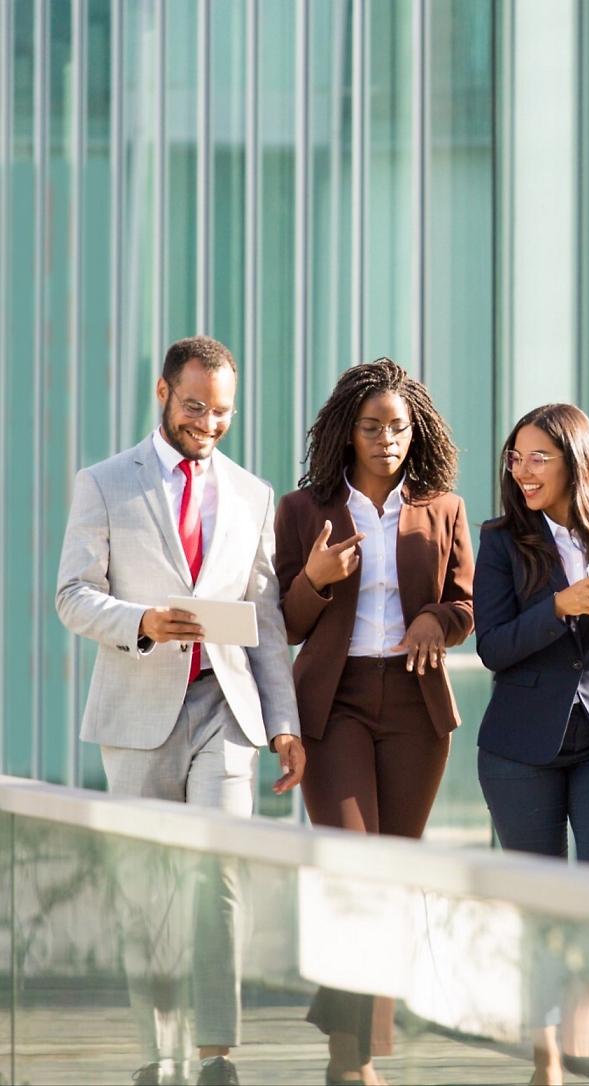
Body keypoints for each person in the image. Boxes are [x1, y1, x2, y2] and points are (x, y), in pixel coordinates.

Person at [55, 336, 305, 1086]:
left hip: (224, 710)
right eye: (195, 405)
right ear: (162, 393)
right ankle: (156, 1050)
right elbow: (71, 596)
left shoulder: (254, 494)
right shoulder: (103, 484)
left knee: (218, 875)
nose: (208, 422)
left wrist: (284, 723)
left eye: (222, 411)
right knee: (149, 885)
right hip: (137, 711)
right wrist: (144, 622)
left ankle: (216, 1054)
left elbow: (264, 619)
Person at [274, 359, 473, 1086]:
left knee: (390, 880)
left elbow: (466, 608)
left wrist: (433, 619)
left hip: (416, 710)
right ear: (347, 433)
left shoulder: (442, 509)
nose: (387, 438)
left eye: (398, 425)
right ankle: (349, 1059)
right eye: (371, 426)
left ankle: (356, 1052)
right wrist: (313, 581)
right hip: (336, 706)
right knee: (354, 874)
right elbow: (285, 625)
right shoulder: (304, 510)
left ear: (413, 430)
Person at [474, 403, 589, 1086]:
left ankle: (584, 1006)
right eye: (514, 458)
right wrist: (560, 607)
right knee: (538, 900)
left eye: (537, 459)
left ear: (575, 462)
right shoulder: (498, 541)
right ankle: (544, 1048)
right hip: (520, 748)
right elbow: (492, 647)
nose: (521, 472)